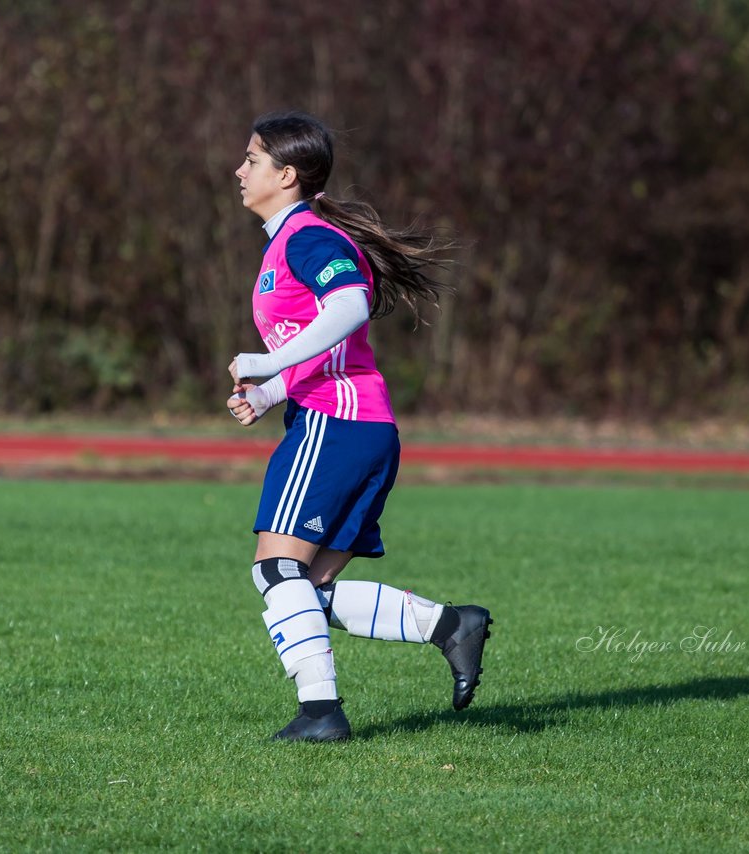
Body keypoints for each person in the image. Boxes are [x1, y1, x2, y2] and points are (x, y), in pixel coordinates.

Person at [226, 111, 492, 742]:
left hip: (336, 426)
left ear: (286, 175)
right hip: (358, 425)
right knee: (306, 592)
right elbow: (327, 345)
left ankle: (321, 714)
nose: (240, 170)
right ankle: (451, 627)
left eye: (253, 159)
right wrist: (270, 391)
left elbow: (348, 305)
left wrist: (269, 362)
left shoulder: (306, 237)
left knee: (275, 574)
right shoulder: (289, 239)